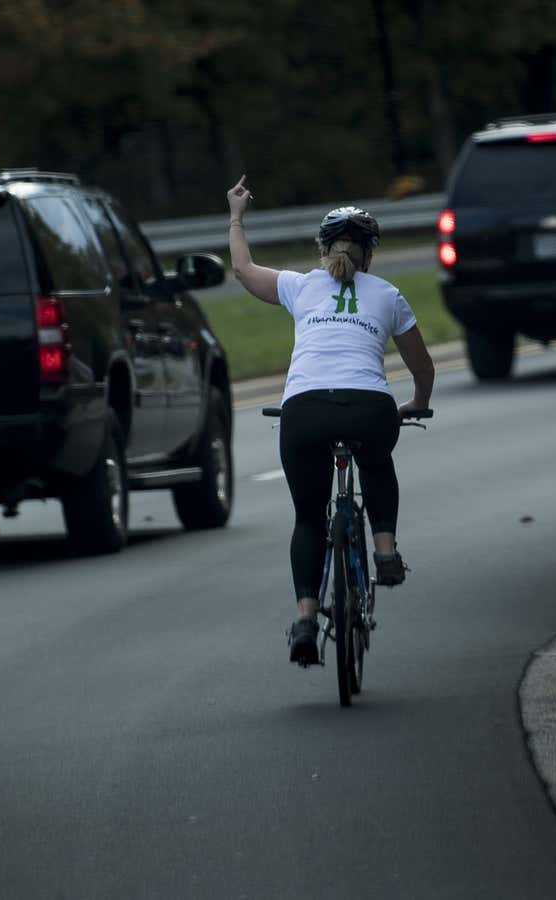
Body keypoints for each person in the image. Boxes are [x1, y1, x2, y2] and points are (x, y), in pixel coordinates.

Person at [225, 176, 436, 667]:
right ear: (370, 255)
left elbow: (242, 269)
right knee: (377, 460)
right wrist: (417, 402)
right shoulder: (387, 293)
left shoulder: (299, 286)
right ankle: (385, 550)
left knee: (307, 516)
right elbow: (421, 366)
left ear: (323, 249)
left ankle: (304, 618)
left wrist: (237, 215)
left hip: (304, 410)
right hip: (369, 407)